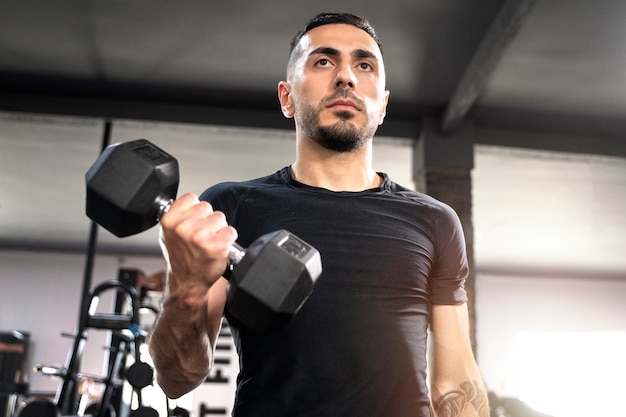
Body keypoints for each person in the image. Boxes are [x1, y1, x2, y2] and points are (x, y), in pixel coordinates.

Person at [148, 12, 488, 417]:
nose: (346, 76)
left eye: (364, 65)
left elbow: (455, 384)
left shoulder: (435, 221)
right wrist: (185, 290)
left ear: (382, 104)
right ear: (287, 97)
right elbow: (177, 380)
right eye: (323, 61)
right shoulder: (231, 207)